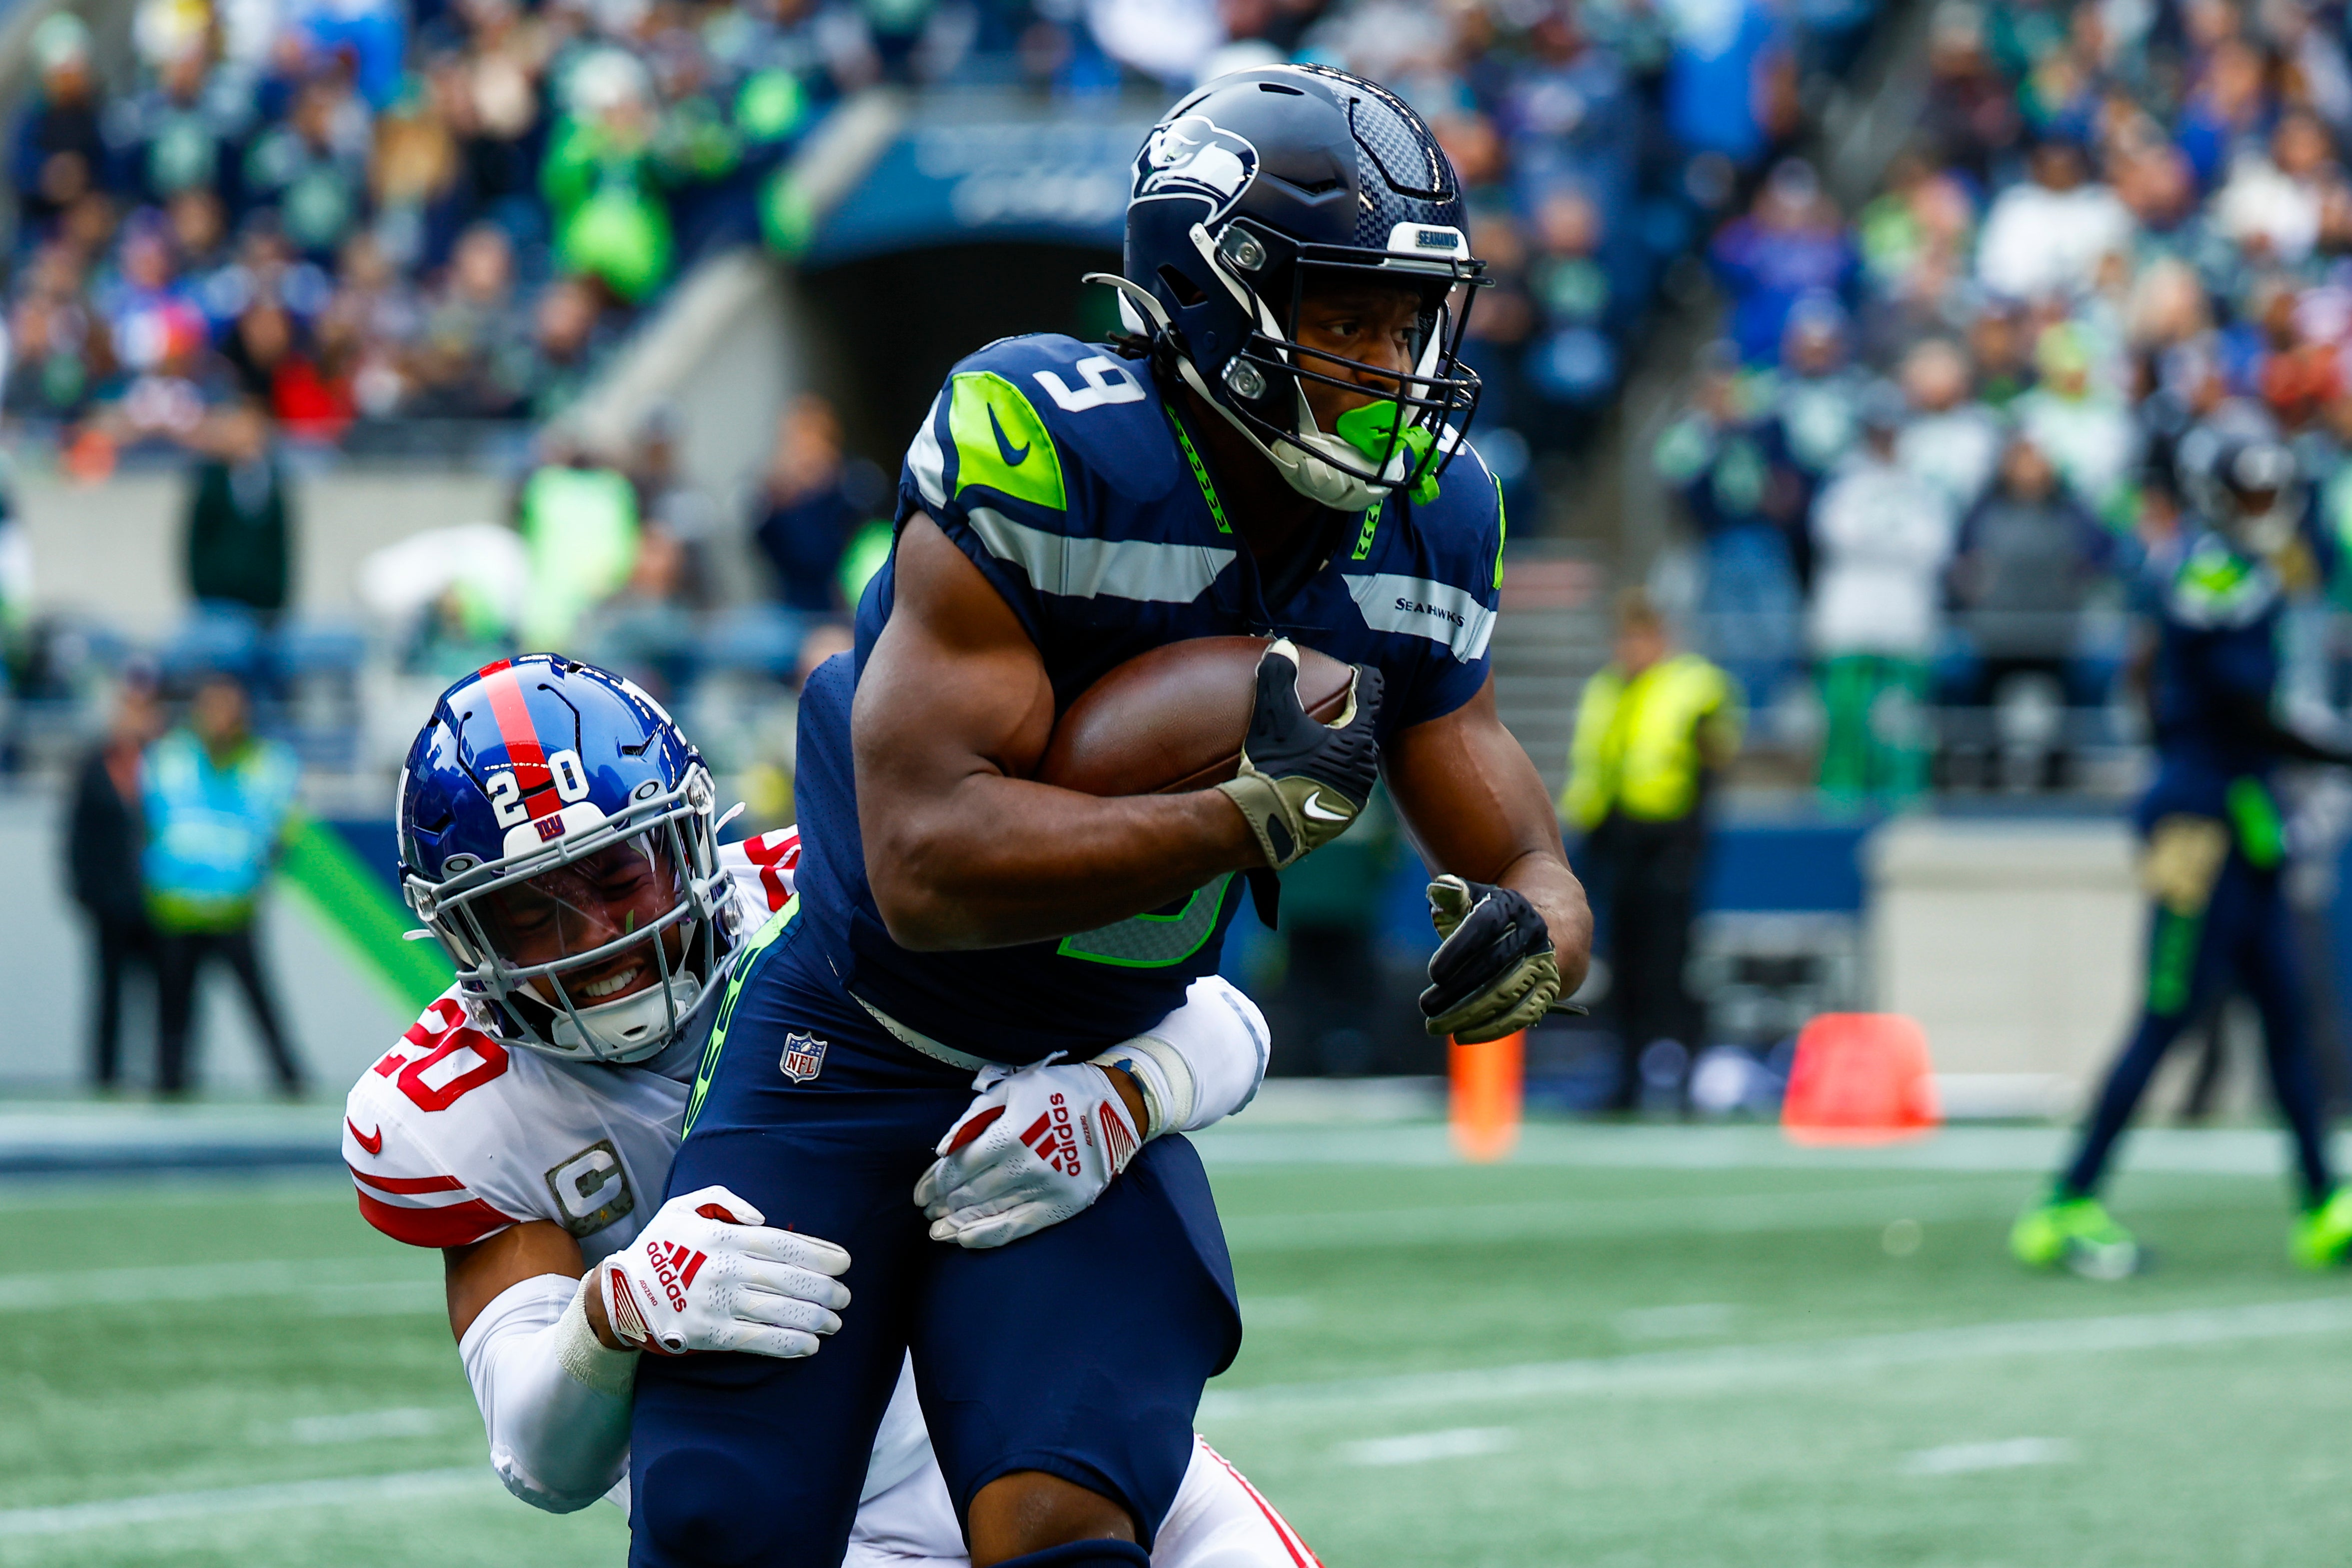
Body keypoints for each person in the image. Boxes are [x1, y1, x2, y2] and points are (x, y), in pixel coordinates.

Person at [634, 65, 1592, 1568]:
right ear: (1209, 300)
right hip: (853, 1037)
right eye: (1344, 315)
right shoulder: (1047, 436)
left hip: (1092, 1062)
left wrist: (1541, 912)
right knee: (716, 1527)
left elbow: (1483, 783)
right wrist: (1237, 819)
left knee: (1064, 1520)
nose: (1390, 361)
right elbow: (926, 866)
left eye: (1408, 319)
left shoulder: (1431, 510)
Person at [371, 656, 1311, 1565]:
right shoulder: (453, 1106)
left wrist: (1123, 1098)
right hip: (807, 1521)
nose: (600, 938)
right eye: (530, 915)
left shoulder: (832, 882)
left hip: (1044, 1423)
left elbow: (1226, 1025)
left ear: (691, 833)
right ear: (458, 931)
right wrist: (610, 1314)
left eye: (621, 878)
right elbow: (543, 1463)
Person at [2011, 433, 2352, 1278]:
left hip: (2247, 814)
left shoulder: (2241, 570)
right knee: (2169, 1008)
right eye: (2253, 499)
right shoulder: (2210, 574)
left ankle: (2322, 1201)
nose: (2268, 515)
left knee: (2287, 1011)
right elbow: (2245, 704)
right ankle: (2066, 1203)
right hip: (2195, 822)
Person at [1561, 589, 1742, 1109]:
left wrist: (1689, 845)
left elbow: (1711, 767)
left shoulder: (1696, 688)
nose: (1631, 647)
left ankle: (1686, 1079)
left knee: (1671, 968)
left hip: (1668, 842)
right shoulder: (1605, 689)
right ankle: (1626, 1079)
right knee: (1624, 968)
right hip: (1615, 841)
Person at [143, 670, 305, 1096]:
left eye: (229, 707)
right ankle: (170, 1086)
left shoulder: (270, 762)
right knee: (174, 1007)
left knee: (261, 1003)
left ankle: (291, 1082)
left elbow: (283, 829)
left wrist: (257, 870)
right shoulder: (168, 757)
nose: (220, 716)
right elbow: (148, 822)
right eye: (212, 706)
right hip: (177, 905)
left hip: (235, 906)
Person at [1809, 383, 1958, 809]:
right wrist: (1894, 544)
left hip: (1905, 619)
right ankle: (1840, 803)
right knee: (1846, 719)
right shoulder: (1841, 480)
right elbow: (1835, 535)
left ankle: (1904, 800)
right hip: (1848, 620)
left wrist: (1877, 543)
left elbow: (1934, 545)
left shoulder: (1925, 485)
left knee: (1902, 721)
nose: (1885, 438)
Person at [66, 672, 163, 1089]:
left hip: (159, 900)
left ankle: (167, 1075)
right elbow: (78, 835)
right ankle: (104, 1075)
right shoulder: (94, 766)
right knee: (108, 994)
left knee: (165, 994)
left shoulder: (169, 763)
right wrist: (86, 891)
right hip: (110, 901)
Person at [183, 399, 293, 619]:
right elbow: (197, 541)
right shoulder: (211, 482)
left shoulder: (274, 482)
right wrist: (204, 593)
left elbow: (281, 544)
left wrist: (278, 600)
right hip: (218, 600)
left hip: (265, 603)